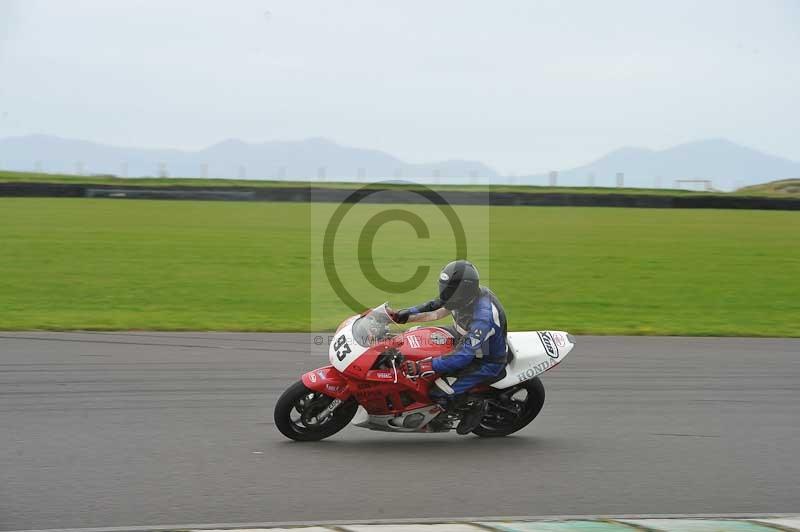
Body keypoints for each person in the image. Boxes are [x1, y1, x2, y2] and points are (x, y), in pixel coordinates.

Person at [389, 260, 508, 435]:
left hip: (484, 360)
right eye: (444, 288)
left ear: (463, 291)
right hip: (462, 337)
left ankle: (476, 406)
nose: (445, 294)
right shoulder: (461, 297)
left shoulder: (483, 318)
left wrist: (422, 366)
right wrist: (403, 315)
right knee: (413, 340)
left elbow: (463, 356)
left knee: (437, 391)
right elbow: (434, 306)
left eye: (450, 290)